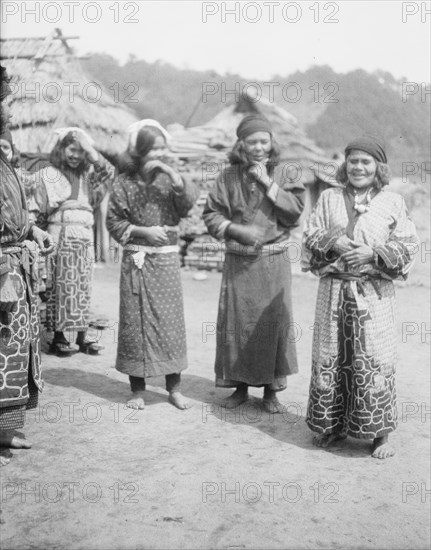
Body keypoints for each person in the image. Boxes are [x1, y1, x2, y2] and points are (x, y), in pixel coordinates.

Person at [301, 134, 419, 459]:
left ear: (378, 167)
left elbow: (409, 244)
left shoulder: (392, 201)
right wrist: (335, 242)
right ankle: (332, 426)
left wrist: (373, 253)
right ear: (345, 164)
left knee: (375, 359)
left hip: (374, 293)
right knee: (333, 357)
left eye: (365, 162)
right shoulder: (328, 198)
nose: (358, 167)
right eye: (353, 161)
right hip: (335, 290)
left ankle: (379, 434)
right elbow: (309, 233)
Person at [203, 114, 305, 412]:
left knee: (272, 325)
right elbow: (211, 214)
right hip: (239, 262)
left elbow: (294, 213)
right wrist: (236, 230)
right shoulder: (228, 176)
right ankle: (240, 386)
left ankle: (271, 392)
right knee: (238, 324)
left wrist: (266, 181)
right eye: (252, 142)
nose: (259, 147)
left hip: (273, 261)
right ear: (241, 144)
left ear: (272, 142)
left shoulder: (287, 172)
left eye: (264, 141)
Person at [106, 119, 197, 410]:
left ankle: (174, 388)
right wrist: (143, 231)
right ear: (140, 151)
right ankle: (137, 390)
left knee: (170, 323)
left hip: (166, 262)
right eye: (153, 150)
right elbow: (114, 221)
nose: (158, 155)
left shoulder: (169, 179)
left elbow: (186, 207)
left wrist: (172, 173)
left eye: (162, 149)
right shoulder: (124, 182)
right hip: (137, 261)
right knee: (135, 322)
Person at [0, 66, 53, 466]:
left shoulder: (5, 153)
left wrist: (32, 229)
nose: (10, 112)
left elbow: (13, 209)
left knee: (15, 346)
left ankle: (6, 430)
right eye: (4, 102)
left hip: (13, 266)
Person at [38, 127, 114, 356]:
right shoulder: (50, 173)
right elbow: (41, 208)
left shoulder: (88, 175)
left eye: (81, 152)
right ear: (62, 149)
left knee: (83, 286)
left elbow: (109, 171)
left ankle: (82, 336)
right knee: (60, 286)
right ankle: (58, 337)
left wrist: (90, 148)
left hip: (84, 235)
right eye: (72, 150)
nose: (76, 156)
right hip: (61, 232)